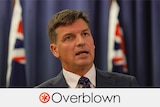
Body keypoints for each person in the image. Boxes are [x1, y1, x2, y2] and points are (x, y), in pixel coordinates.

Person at [35, 9, 139, 88]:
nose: (81, 42)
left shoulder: (126, 85)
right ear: (55, 50)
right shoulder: (41, 95)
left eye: (85, 34)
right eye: (69, 37)